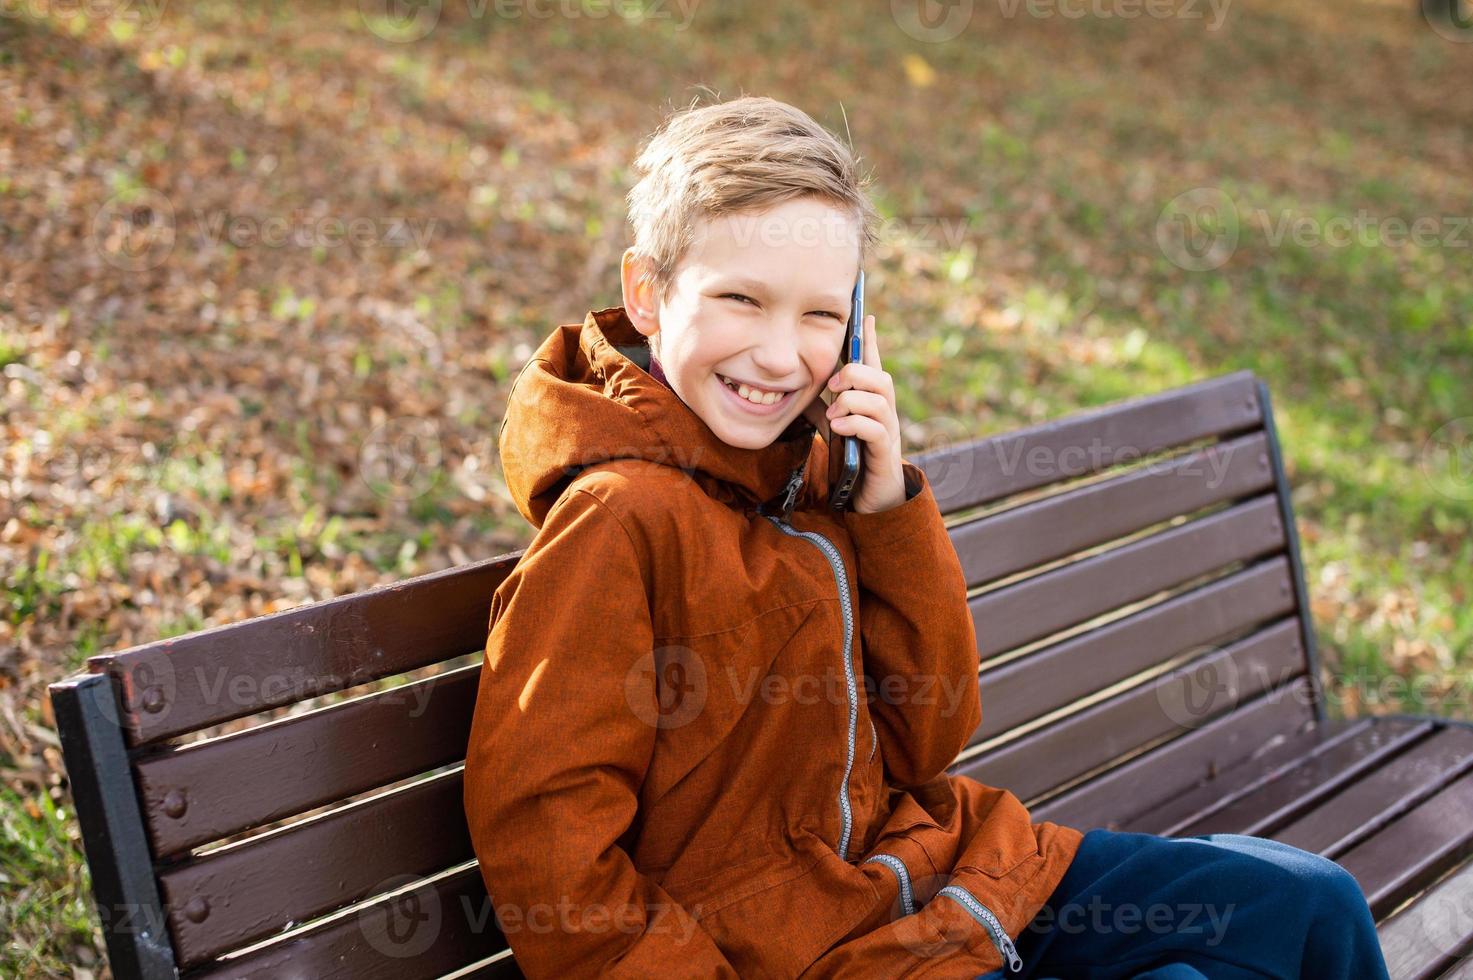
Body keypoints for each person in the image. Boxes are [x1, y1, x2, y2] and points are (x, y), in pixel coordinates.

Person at [462, 95, 1391, 979]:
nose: (782, 355)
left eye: (821, 314)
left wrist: (886, 511)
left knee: (1306, 907)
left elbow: (928, 737)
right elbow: (550, 842)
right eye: (741, 299)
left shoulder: (817, 480)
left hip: (952, 877)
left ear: (859, 330)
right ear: (649, 292)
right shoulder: (618, 523)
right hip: (818, 954)